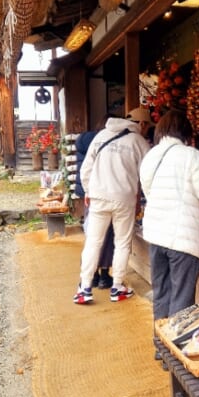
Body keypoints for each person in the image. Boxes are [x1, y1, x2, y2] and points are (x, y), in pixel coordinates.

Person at [140, 108, 199, 322]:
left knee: (162, 293)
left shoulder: (150, 156)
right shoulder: (190, 155)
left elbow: (148, 191)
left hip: (156, 235)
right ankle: (176, 350)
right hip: (182, 238)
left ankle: (161, 346)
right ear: (185, 132)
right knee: (182, 299)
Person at [73, 106, 152, 305]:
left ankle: (84, 287)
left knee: (93, 241)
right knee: (122, 242)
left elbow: (86, 169)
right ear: (141, 124)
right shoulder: (138, 141)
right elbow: (148, 172)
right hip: (124, 198)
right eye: (147, 125)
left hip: (98, 196)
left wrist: (89, 192)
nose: (147, 130)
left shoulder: (100, 136)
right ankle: (117, 286)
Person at [75, 116, 114, 289]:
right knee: (106, 236)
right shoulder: (107, 142)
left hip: (88, 194)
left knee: (92, 235)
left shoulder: (84, 141)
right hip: (101, 193)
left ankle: (91, 277)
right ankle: (104, 275)